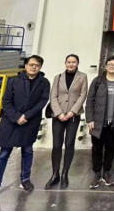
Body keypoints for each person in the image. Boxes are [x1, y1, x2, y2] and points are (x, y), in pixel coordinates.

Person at [0, 55, 50, 204]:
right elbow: (6, 101)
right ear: (25, 66)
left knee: (27, 151)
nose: (33, 67)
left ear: (40, 67)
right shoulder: (14, 81)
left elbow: (42, 102)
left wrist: (26, 116)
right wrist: (16, 117)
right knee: (3, 154)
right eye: (31, 64)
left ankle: (25, 179)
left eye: (37, 65)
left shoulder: (44, 82)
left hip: (30, 122)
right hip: (11, 122)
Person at [85, 55, 114, 190]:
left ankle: (106, 172)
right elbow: (90, 100)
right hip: (98, 121)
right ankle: (97, 173)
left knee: (111, 148)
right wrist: (90, 119)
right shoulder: (98, 81)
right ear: (105, 66)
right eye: (110, 65)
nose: (113, 67)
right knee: (97, 149)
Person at [45, 54, 88, 190]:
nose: (71, 64)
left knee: (69, 144)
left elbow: (83, 95)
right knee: (56, 145)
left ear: (78, 63)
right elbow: (53, 96)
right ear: (65, 63)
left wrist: (72, 112)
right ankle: (55, 174)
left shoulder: (82, 77)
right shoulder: (58, 77)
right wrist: (59, 113)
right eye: (69, 62)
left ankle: (65, 174)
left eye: (73, 62)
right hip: (58, 116)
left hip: (73, 116)